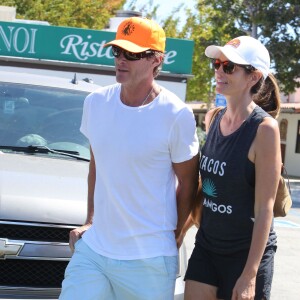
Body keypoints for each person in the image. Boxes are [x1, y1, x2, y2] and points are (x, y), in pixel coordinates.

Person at [59, 16, 199, 300]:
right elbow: (97, 165)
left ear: (156, 60)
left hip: (148, 261)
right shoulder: (95, 103)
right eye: (117, 52)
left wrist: (174, 237)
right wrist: (90, 220)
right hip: (95, 252)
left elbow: (188, 183)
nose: (121, 60)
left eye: (132, 54)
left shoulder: (176, 114)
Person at [184, 36, 282, 300]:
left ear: (253, 77)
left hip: (246, 255)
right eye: (218, 63)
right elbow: (201, 188)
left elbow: (265, 209)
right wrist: (179, 234)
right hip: (207, 246)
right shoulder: (212, 118)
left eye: (229, 67)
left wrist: (249, 275)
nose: (219, 71)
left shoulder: (264, 130)